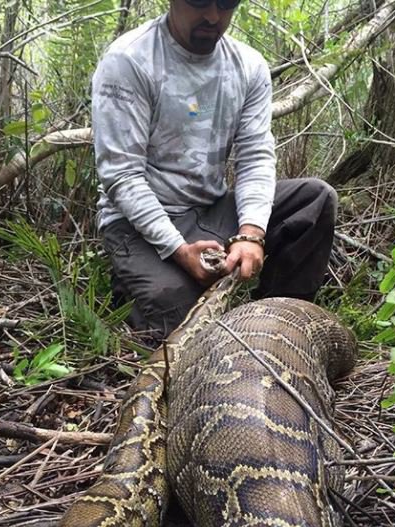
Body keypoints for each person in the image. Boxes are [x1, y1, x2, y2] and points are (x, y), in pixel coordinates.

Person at [92, 0, 337, 341]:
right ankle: (139, 283)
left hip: (210, 209)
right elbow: (121, 175)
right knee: (181, 318)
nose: (212, 16)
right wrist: (178, 251)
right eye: (199, 2)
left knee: (315, 200)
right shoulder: (129, 60)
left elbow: (255, 156)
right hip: (137, 226)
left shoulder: (248, 66)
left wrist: (251, 234)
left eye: (225, 4)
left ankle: (280, 323)